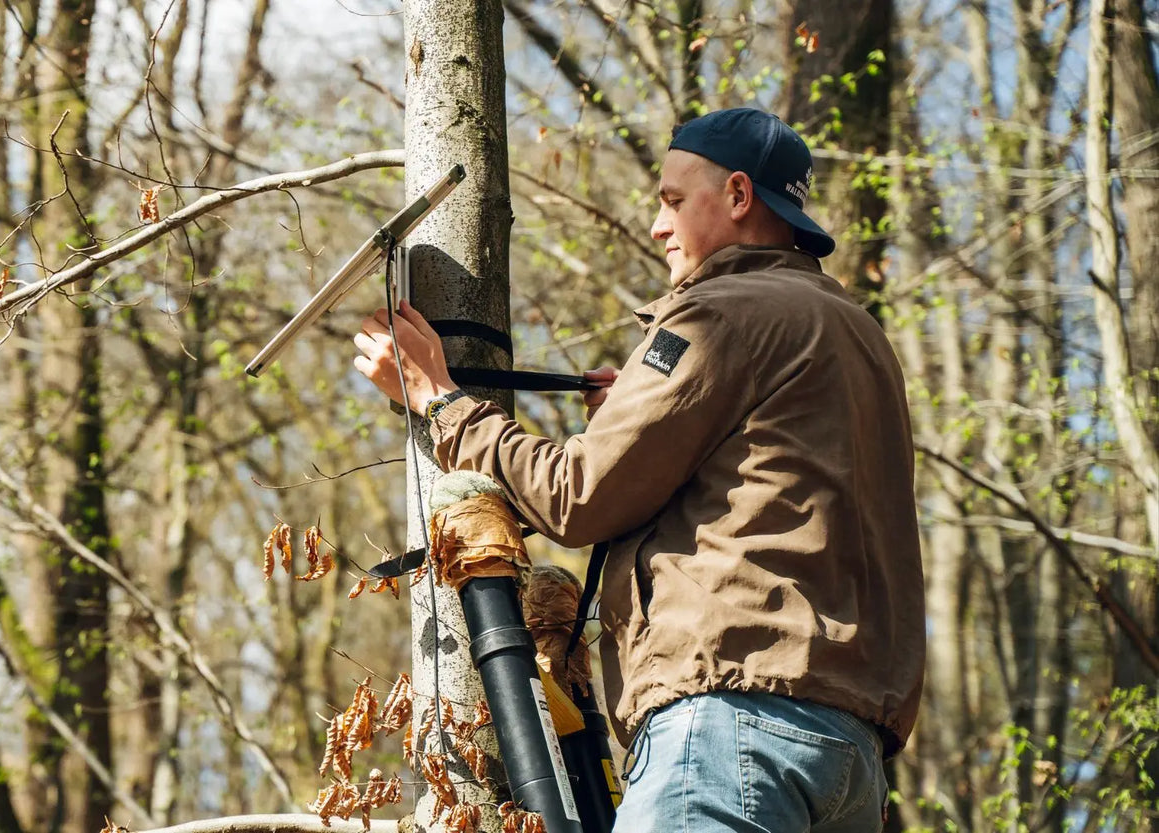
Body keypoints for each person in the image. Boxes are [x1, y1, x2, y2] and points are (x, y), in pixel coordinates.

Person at [352, 108, 924, 833]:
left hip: (730, 729)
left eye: (673, 200)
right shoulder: (856, 331)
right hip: (851, 758)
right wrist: (645, 414)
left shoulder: (719, 315)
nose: (658, 226)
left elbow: (574, 496)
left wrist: (439, 400)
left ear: (738, 195)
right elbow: (767, 487)